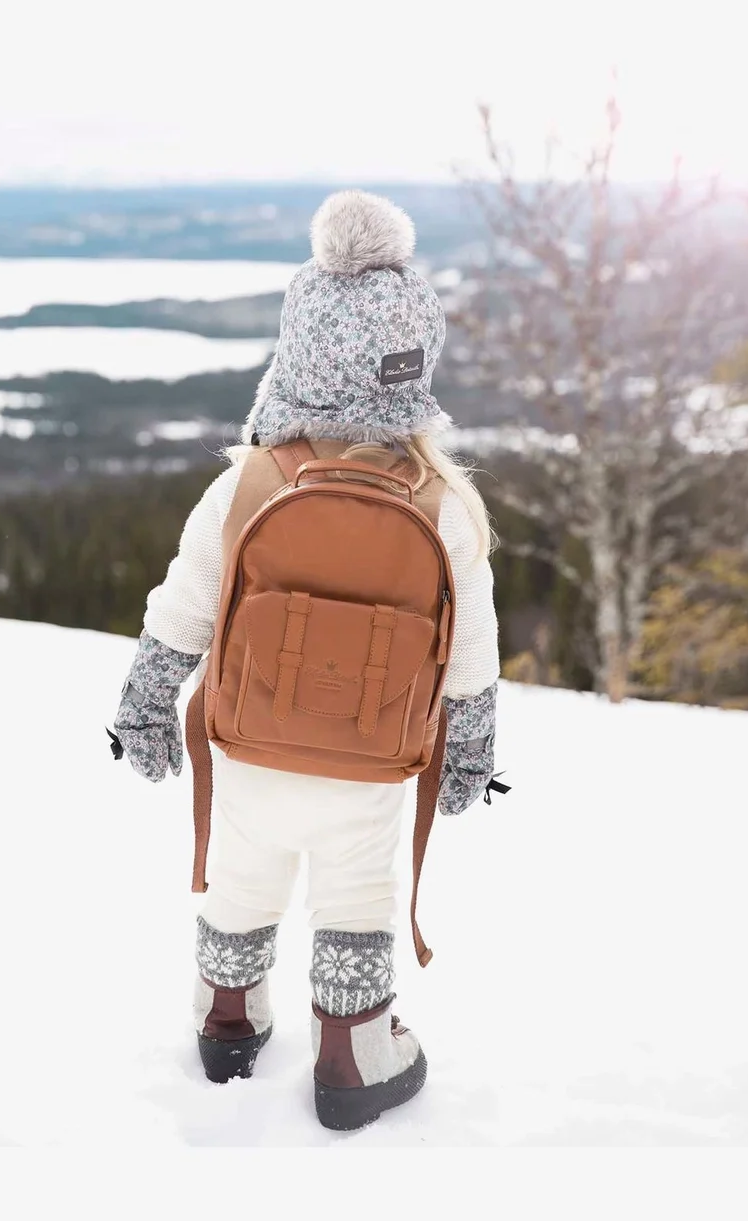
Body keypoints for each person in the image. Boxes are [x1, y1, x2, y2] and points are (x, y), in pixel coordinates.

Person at [110, 190, 500, 1130]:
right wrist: (472, 753)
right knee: (358, 897)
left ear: (301, 352)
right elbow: (473, 656)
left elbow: (182, 605)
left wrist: (146, 701)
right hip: (371, 765)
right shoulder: (445, 505)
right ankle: (354, 1050)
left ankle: (227, 1016)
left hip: (249, 749)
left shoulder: (246, 483)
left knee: (242, 881)